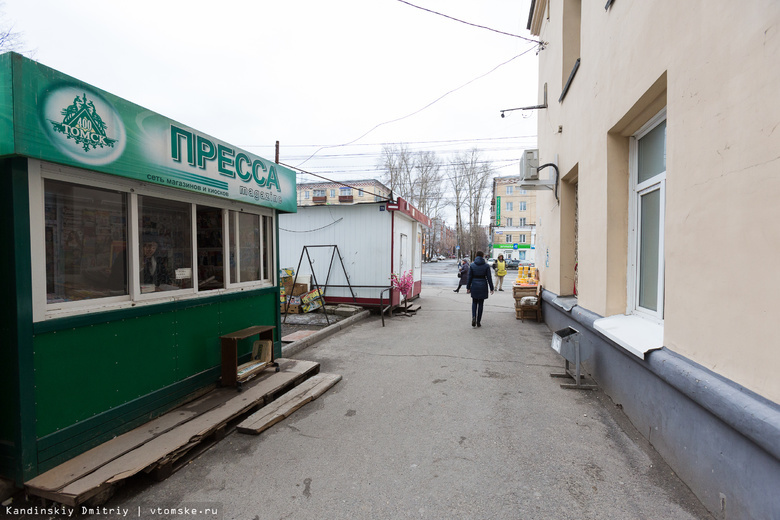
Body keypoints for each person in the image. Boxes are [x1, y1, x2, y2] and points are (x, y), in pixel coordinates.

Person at [467, 251, 494, 327]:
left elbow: (469, 277)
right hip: (483, 285)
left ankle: (473, 317)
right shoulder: (486, 266)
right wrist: (491, 288)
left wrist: (468, 287)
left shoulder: (472, 265)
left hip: (474, 284)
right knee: (481, 303)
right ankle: (478, 321)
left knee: (474, 302)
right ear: (483, 256)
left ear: (476, 255)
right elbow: (489, 278)